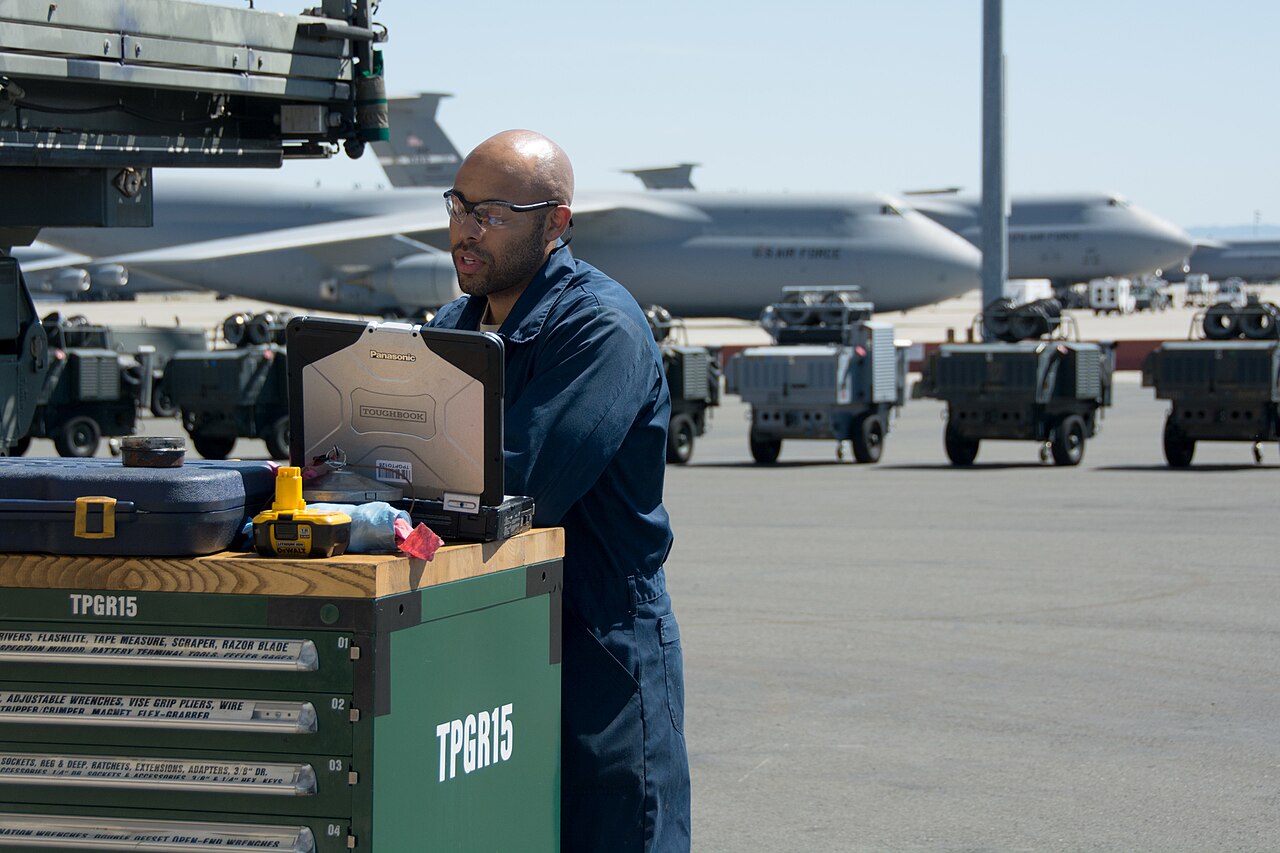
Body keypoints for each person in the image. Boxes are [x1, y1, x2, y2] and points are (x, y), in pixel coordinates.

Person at [429, 130, 691, 853]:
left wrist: (391, 493)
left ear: (556, 223)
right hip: (493, 640)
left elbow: (520, 484)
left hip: (600, 645)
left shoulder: (601, 328)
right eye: (458, 206)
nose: (465, 230)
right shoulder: (455, 327)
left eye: (493, 213)